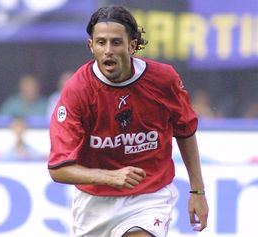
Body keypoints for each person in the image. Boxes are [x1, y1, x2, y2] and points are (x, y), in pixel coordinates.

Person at [48, 5, 208, 237]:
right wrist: (111, 177)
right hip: (95, 202)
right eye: (101, 42)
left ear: (132, 45)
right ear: (90, 46)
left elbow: (185, 131)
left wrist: (198, 191)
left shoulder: (163, 79)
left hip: (149, 194)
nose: (108, 50)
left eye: (116, 42)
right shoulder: (78, 90)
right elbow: (58, 169)